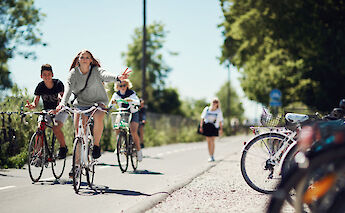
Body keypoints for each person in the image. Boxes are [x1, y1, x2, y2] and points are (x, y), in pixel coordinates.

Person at [56, 49, 131, 160]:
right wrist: (62, 103)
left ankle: (96, 145)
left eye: (87, 57)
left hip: (97, 102)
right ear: (78, 60)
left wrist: (117, 78)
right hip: (81, 104)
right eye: (82, 57)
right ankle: (76, 166)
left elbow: (105, 75)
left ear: (91, 60)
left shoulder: (96, 71)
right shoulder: (73, 73)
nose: (84, 59)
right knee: (78, 136)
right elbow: (68, 89)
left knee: (98, 116)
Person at [25, 64, 69, 159]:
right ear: (41, 76)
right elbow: (35, 103)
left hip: (60, 110)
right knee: (40, 128)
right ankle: (39, 154)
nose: (46, 76)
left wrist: (58, 106)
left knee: (56, 128)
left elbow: (61, 99)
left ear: (52, 75)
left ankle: (63, 148)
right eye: (44, 74)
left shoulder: (58, 84)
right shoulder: (40, 86)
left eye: (48, 74)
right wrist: (31, 106)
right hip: (47, 111)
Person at [108, 79, 143, 161]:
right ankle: (119, 145)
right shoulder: (116, 94)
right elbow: (111, 104)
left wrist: (132, 101)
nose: (122, 87)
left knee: (133, 131)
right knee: (117, 126)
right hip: (122, 112)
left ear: (127, 85)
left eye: (124, 85)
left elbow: (137, 102)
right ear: (117, 87)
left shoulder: (131, 93)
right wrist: (111, 104)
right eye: (120, 86)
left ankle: (138, 151)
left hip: (133, 112)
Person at [199, 98, 224, 162]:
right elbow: (202, 118)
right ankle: (210, 155)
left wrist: (221, 129)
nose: (214, 103)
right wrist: (201, 127)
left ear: (218, 104)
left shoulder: (218, 111)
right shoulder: (207, 109)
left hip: (214, 127)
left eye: (216, 102)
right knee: (208, 141)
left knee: (212, 141)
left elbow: (220, 121)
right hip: (207, 126)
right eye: (214, 102)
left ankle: (212, 156)